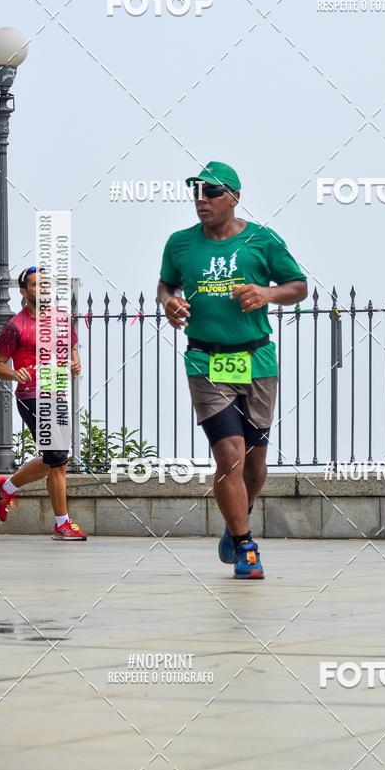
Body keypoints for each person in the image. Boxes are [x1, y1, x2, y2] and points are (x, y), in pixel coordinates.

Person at [157, 161, 307, 579]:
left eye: (211, 192)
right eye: (197, 192)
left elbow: (299, 286)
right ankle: (245, 546)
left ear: (234, 197)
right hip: (205, 360)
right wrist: (169, 302)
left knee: (256, 463)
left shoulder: (262, 240)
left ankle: (236, 518)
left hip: (257, 360)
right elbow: (165, 284)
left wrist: (267, 293)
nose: (201, 199)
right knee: (229, 453)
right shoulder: (180, 244)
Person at [0, 266, 87, 541]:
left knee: (55, 459)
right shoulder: (14, 327)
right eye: (35, 285)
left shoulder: (60, 320)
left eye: (45, 285)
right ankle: (62, 524)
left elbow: (71, 348)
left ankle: (6, 486)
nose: (42, 290)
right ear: (24, 291)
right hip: (31, 395)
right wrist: (13, 372)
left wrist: (75, 361)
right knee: (57, 458)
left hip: (58, 394)